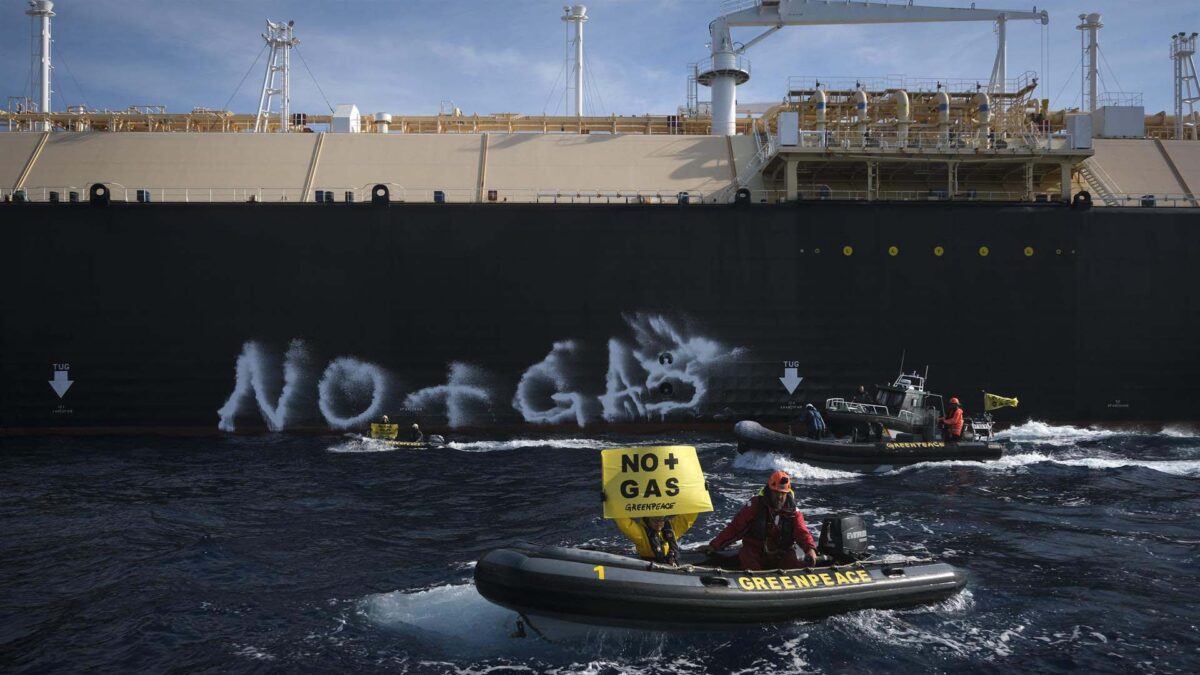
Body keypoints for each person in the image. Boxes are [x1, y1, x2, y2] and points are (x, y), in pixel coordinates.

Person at [702, 470, 817, 570]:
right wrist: (714, 545)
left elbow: (802, 532)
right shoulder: (755, 505)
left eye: (783, 493)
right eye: (776, 492)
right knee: (748, 558)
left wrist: (810, 549)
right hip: (755, 550)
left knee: (792, 564)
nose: (780, 497)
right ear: (769, 490)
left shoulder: (794, 513)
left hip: (781, 553)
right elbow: (735, 528)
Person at [614, 513, 698, 565]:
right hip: (649, 566)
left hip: (671, 565)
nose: (659, 523)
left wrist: (700, 493)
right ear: (648, 520)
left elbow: (687, 518)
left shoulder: (672, 529)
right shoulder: (640, 534)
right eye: (655, 520)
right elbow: (624, 524)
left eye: (661, 520)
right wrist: (611, 504)